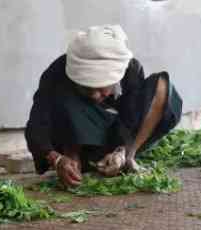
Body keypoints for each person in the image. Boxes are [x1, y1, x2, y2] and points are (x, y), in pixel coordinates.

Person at [25, 25, 183, 187]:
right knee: (63, 92)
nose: (94, 95)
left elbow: (133, 117)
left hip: (114, 139)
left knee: (162, 86)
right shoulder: (58, 71)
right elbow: (37, 125)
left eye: (101, 88)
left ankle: (127, 157)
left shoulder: (130, 69)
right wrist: (57, 159)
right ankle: (75, 158)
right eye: (86, 88)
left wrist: (122, 150)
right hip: (76, 142)